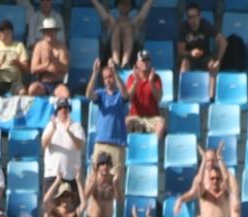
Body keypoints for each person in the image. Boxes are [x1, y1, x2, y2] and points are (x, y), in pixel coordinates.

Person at [86, 60, 129, 189]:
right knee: (93, 180)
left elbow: (125, 94)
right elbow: (88, 95)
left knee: (115, 183)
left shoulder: (119, 95)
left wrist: (115, 73)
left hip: (117, 145)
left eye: (110, 77)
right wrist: (95, 73)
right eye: (105, 78)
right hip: (101, 143)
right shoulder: (101, 94)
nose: (108, 80)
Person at [177, 2, 226, 100]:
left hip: (205, 57)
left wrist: (218, 61)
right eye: (189, 17)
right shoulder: (183, 27)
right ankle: (182, 96)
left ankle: (210, 98)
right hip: (190, 57)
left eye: (195, 17)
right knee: (184, 63)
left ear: (200, 16)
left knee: (212, 65)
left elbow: (223, 42)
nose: (192, 20)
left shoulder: (206, 25)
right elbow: (180, 51)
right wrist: (191, 53)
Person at [90, 0, 155, 68]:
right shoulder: (113, 21)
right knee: (116, 29)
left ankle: (125, 63)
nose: (124, 6)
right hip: (110, 55)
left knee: (129, 30)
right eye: (121, 4)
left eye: (127, 4)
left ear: (130, 7)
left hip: (132, 57)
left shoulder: (133, 22)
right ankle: (116, 62)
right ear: (117, 6)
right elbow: (103, 14)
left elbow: (142, 16)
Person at [41, 97, 85, 194]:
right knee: (50, 208)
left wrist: (69, 131)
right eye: (60, 108)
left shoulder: (77, 126)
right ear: (57, 111)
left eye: (66, 108)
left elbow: (80, 145)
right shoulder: (50, 125)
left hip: (70, 176)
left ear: (69, 110)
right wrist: (53, 128)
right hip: (52, 175)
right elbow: (44, 144)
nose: (63, 110)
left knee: (70, 208)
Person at [82, 152, 120, 217]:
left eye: (107, 164)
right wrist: (92, 183)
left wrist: (116, 186)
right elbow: (84, 197)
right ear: (98, 166)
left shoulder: (113, 180)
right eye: (102, 164)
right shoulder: (91, 178)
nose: (105, 167)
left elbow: (120, 199)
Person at [124, 50, 165, 140]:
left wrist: (151, 82)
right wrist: (135, 83)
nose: (145, 63)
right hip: (135, 116)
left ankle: (153, 148)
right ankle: (126, 151)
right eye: (143, 60)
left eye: (147, 60)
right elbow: (128, 99)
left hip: (152, 117)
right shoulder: (131, 77)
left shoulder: (156, 78)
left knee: (161, 123)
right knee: (125, 122)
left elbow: (158, 98)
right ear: (137, 63)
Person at [28, 18, 69, 97]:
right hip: (42, 83)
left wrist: (53, 59)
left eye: (51, 31)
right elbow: (33, 69)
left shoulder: (61, 47)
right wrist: (46, 65)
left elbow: (64, 69)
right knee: (32, 90)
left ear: (55, 32)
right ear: (43, 33)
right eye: (47, 31)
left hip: (57, 83)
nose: (49, 33)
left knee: (65, 95)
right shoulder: (39, 46)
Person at [0, 19, 28, 95]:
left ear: (9, 32)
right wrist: (0, 62)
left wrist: (17, 63)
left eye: (1, 31)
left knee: (23, 92)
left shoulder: (19, 45)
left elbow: (26, 70)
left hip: (15, 82)